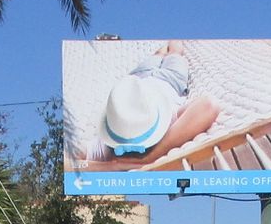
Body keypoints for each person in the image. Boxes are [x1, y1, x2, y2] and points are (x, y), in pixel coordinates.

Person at [80, 40, 220, 169]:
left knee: (161, 53)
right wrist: (112, 167)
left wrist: (148, 158)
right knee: (174, 52)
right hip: (171, 79)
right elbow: (208, 105)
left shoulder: (106, 146)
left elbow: (72, 164)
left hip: (138, 80)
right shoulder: (165, 123)